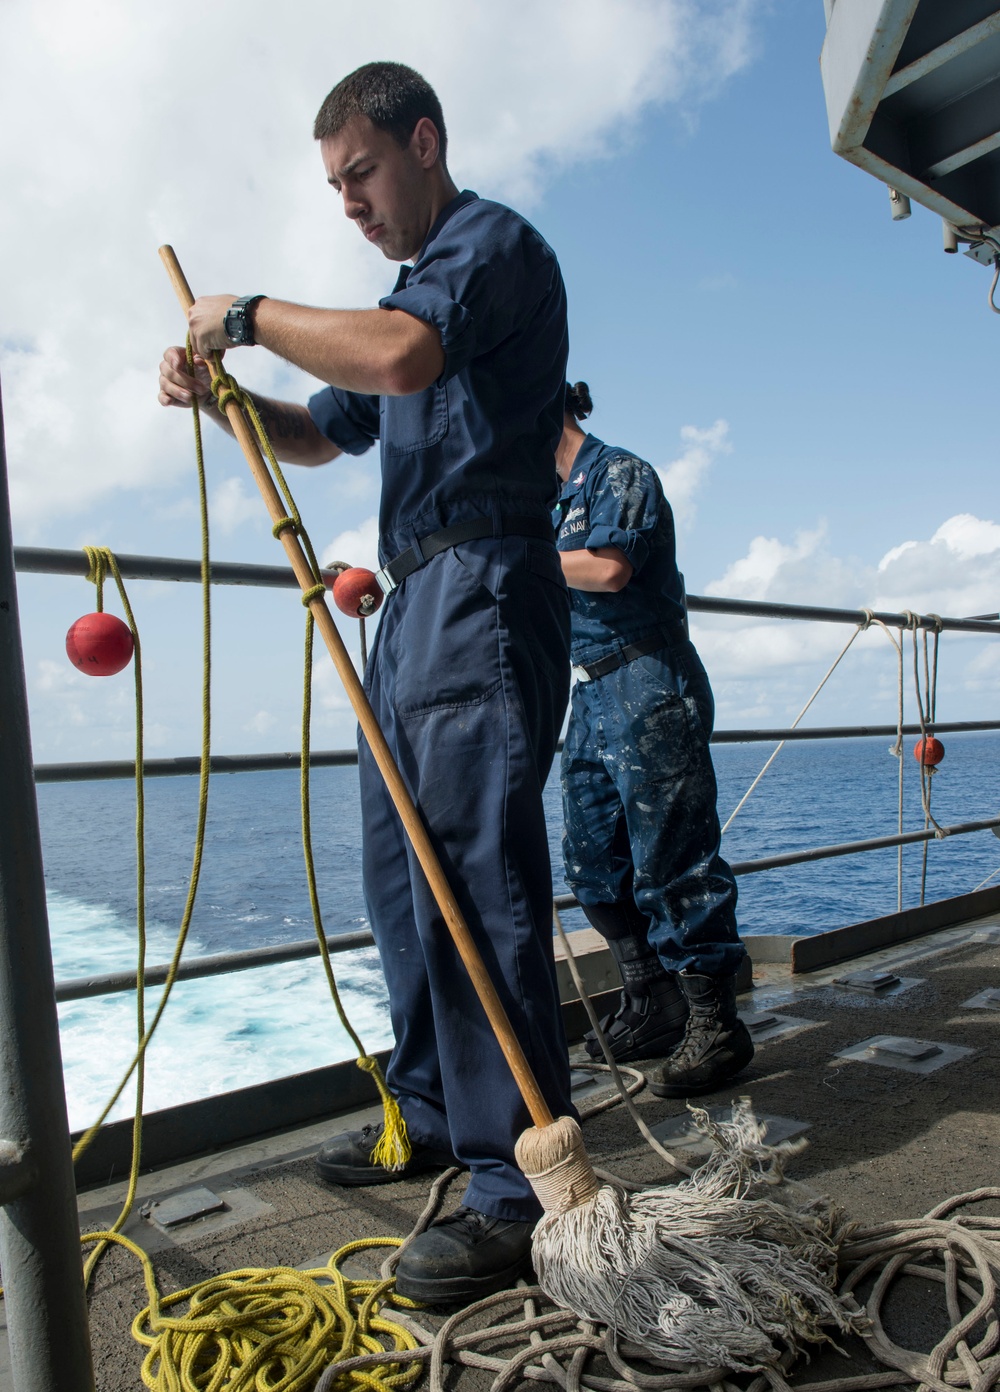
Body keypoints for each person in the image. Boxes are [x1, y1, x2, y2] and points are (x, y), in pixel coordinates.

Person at [158, 63, 575, 1303]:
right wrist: (223, 401)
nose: (348, 202)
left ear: (423, 143)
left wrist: (244, 315)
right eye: (334, 185)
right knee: (403, 881)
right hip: (408, 604)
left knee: (476, 883)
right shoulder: (401, 298)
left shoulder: (487, 249)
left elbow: (398, 357)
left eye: (362, 173)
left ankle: (515, 1186)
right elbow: (319, 429)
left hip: (482, 586)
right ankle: (433, 1113)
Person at [554, 381, 753, 1096]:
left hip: (648, 678)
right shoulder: (544, 504)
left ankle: (716, 1025)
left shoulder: (619, 472)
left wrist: (511, 558)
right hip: (588, 691)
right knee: (592, 863)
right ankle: (654, 1000)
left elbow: (609, 568)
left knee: (673, 860)